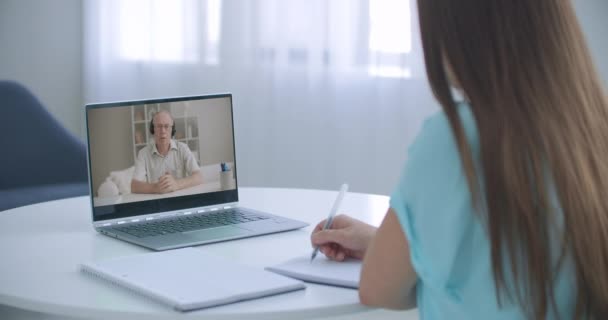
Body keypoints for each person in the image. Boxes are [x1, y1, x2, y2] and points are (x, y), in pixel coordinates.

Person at [311, 1, 608, 318]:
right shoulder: (591, 129)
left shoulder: (455, 139)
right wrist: (380, 243)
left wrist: (384, 259)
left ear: (456, 31)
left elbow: (378, 289)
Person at [131, 110, 203, 194]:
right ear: (153, 129)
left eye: (166, 126)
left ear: (172, 129)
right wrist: (155, 187)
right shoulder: (143, 154)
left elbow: (199, 177)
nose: (163, 131)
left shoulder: (183, 148)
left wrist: (177, 184)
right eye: (159, 126)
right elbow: (134, 186)